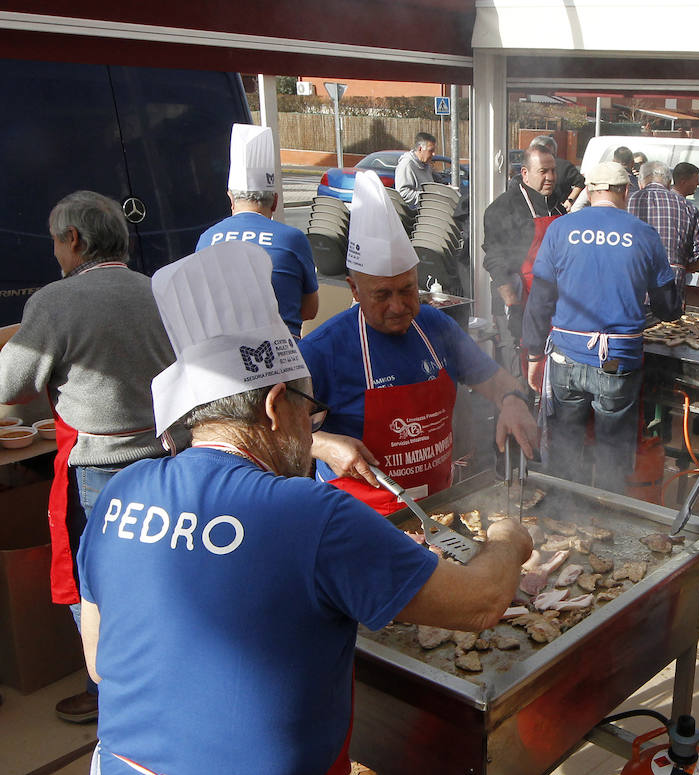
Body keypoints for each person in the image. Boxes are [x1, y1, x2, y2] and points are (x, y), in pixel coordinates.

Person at [78, 241, 532, 775]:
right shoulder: (311, 514)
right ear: (275, 405)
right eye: (308, 411)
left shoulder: (119, 494)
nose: (310, 426)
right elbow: (482, 602)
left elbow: (101, 662)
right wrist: (507, 539)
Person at [0, 190, 182, 726]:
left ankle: (111, 695)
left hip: (98, 474)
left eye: (57, 241)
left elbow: (11, 385)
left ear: (73, 240)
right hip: (167, 457)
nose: (56, 252)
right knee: (159, 580)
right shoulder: (158, 291)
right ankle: (159, 686)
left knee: (96, 588)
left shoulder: (56, 301)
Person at [303, 170, 537, 515]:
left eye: (407, 289)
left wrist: (512, 400)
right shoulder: (324, 348)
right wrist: (321, 445)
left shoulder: (435, 326)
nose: (398, 306)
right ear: (354, 289)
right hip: (359, 518)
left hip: (441, 507)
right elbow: (277, 432)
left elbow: (493, 379)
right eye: (382, 294)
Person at [523, 162, 682, 493]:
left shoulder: (560, 229)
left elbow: (539, 299)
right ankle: (609, 516)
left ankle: (563, 517)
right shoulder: (643, 234)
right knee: (612, 453)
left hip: (566, 358)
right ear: (625, 191)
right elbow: (669, 308)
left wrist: (535, 356)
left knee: (565, 449)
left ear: (591, 190)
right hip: (617, 362)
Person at [197, 124, 318, 338]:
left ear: (231, 199)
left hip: (223, 357)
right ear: (275, 202)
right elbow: (310, 310)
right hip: (284, 356)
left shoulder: (206, 239)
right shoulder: (292, 240)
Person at [482, 146, 563, 371]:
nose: (550, 177)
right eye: (543, 171)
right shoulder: (504, 208)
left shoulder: (556, 204)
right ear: (525, 173)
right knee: (519, 374)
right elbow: (495, 262)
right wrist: (514, 307)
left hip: (549, 304)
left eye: (553, 171)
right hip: (516, 302)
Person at [628, 160, 699, 272]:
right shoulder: (686, 206)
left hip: (635, 274)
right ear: (668, 182)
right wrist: (682, 269)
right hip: (672, 276)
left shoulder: (627, 202)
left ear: (640, 183)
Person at [528, 134, 585, 212]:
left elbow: (581, 182)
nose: (549, 177)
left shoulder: (564, 166)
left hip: (558, 211)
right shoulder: (528, 169)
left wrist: (570, 200)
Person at [394, 131, 438, 209]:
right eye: (431, 150)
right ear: (420, 149)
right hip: (416, 213)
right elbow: (403, 193)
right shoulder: (407, 165)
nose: (434, 154)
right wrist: (427, 197)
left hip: (429, 208)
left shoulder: (426, 165)